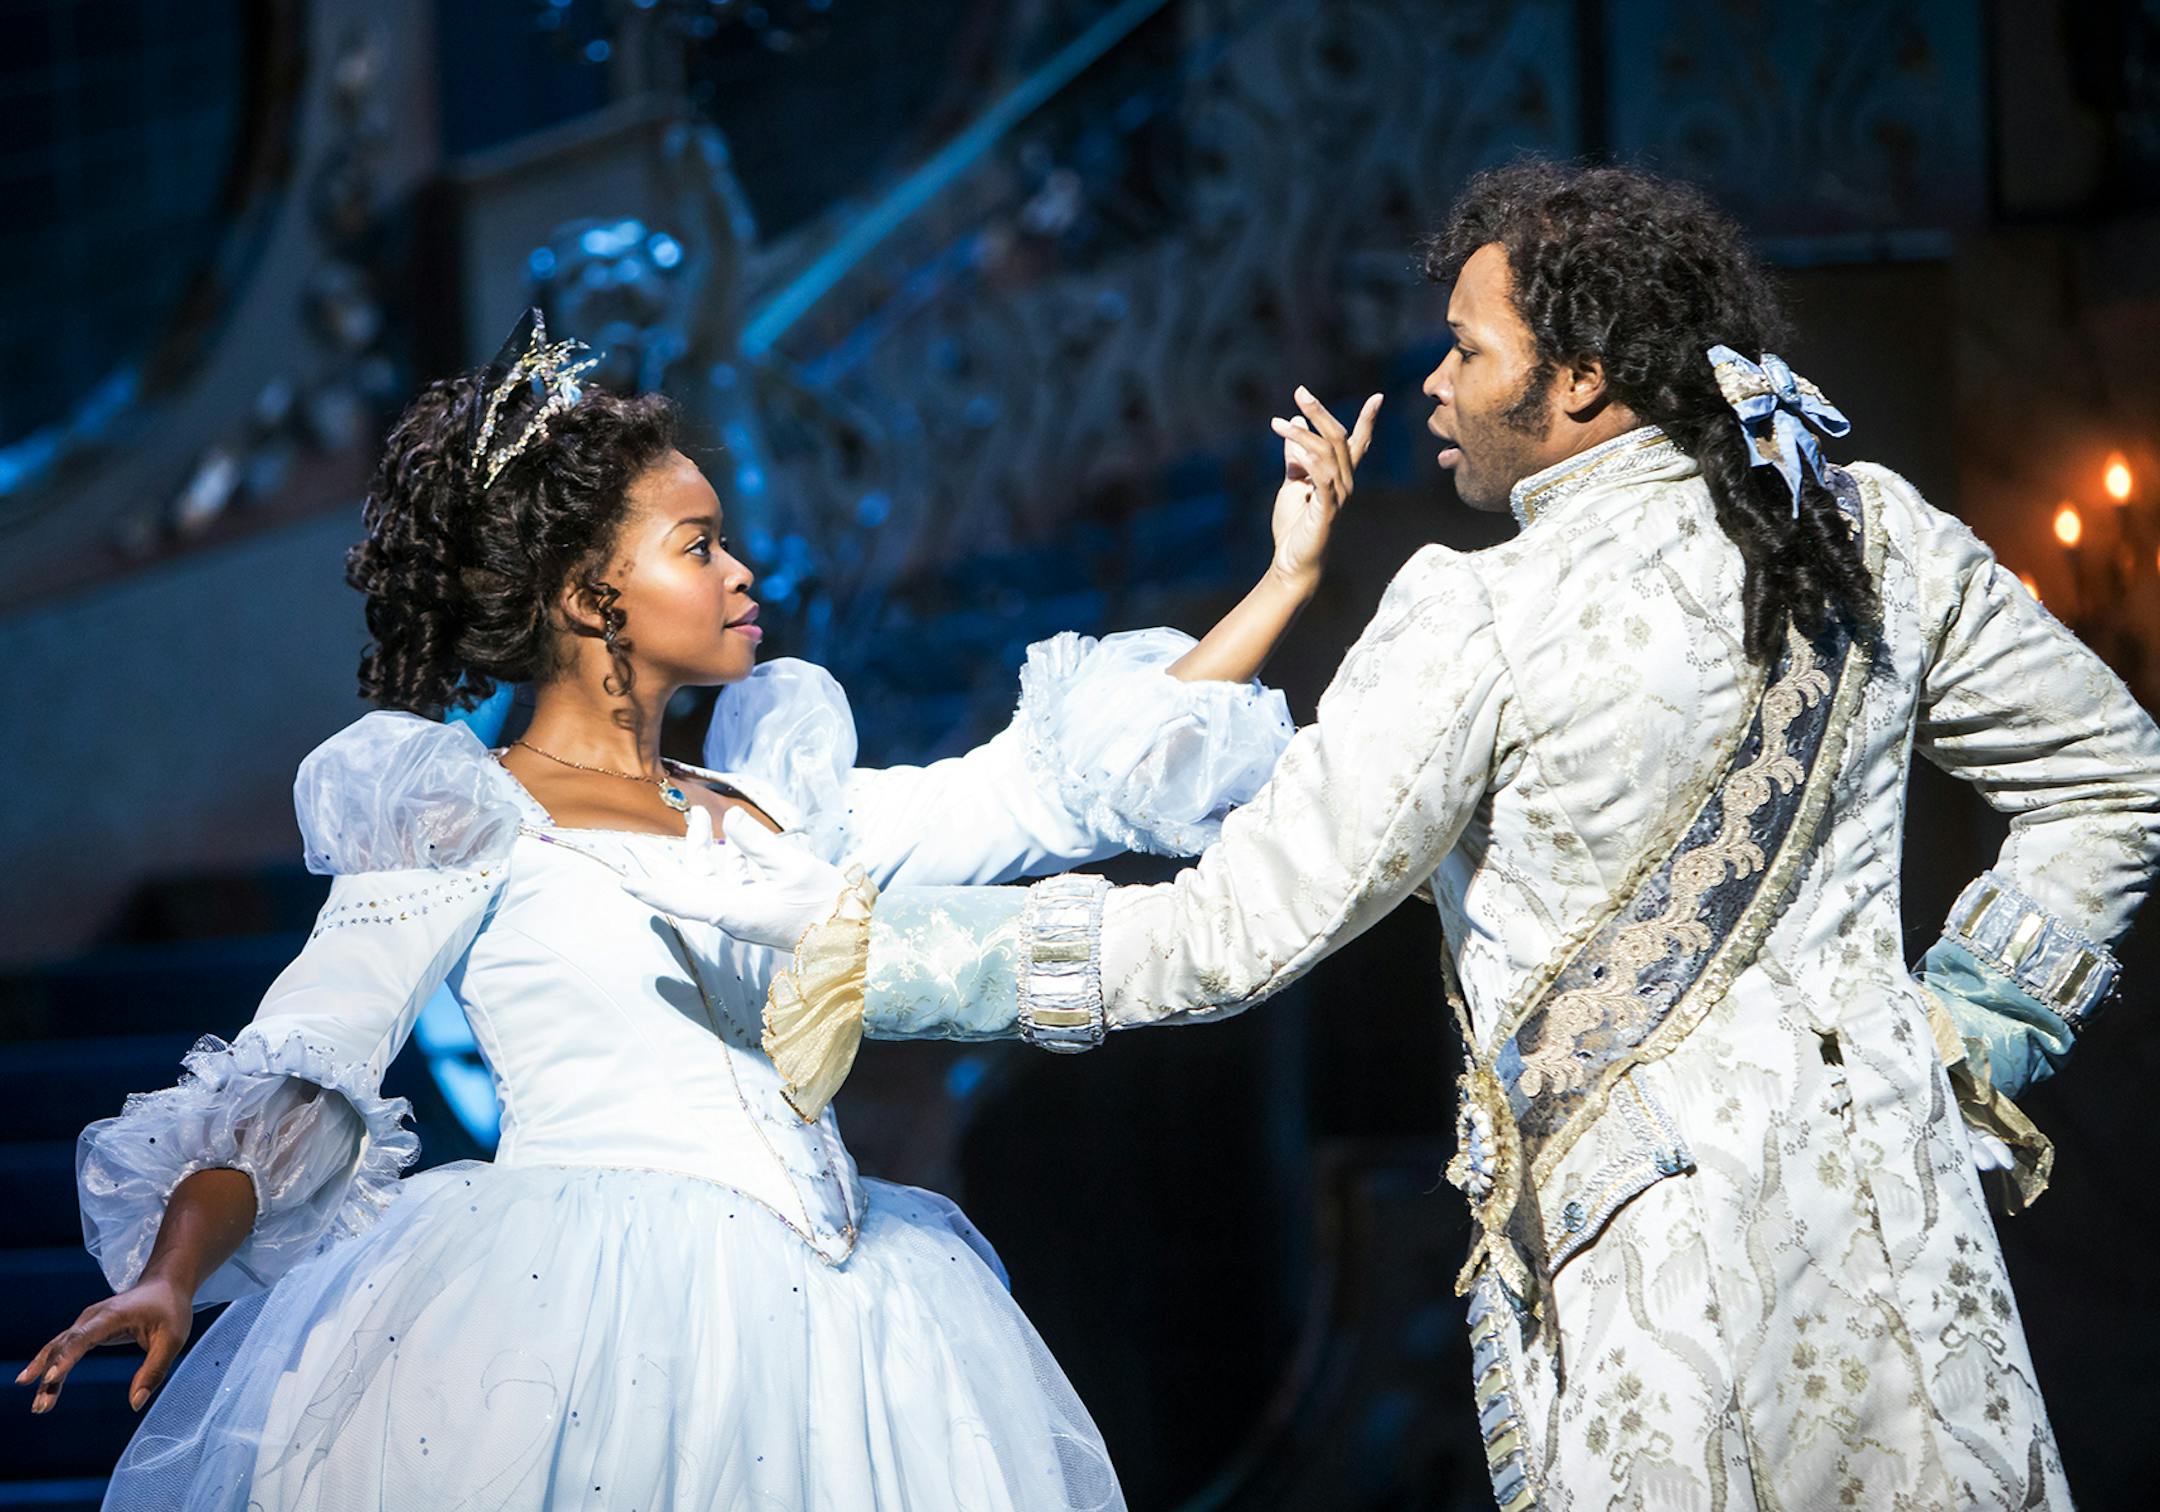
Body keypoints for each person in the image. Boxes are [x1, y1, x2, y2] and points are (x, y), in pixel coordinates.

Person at [641, 164, 2160, 1510]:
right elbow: (2116, 777)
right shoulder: (1872, 529)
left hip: (1662, 1297)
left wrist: (876, 962)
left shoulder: (1477, 614)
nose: (1434, 382)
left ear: (1577, 383)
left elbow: (1223, 936)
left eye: (1471, 349)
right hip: (1901, 1237)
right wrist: (1973, 1035)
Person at [17, 308, 1381, 1510]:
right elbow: (304, 1071)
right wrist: (174, 1272)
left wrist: (1285, 581)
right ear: (584, 592)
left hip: (848, 1322)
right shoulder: (461, 811)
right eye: (699, 545)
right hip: (570, 1320)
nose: (743, 573)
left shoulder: (776, 808)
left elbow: (1039, 793)